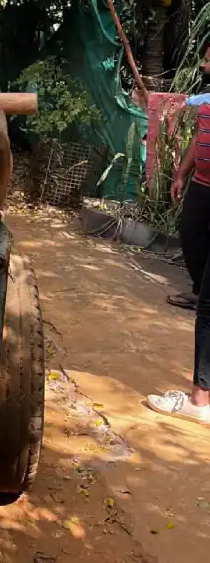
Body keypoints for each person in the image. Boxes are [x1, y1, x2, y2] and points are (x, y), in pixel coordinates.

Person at [147, 43, 210, 425]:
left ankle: (199, 400)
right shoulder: (206, 102)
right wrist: (182, 171)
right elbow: (198, 133)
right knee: (190, 239)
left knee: (208, 310)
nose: (203, 64)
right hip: (202, 188)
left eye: (208, 59)